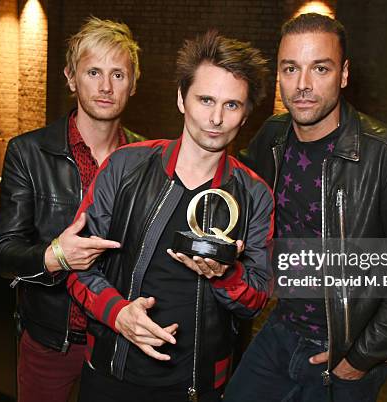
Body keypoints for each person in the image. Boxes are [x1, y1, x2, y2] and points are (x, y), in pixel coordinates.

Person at [224, 13, 387, 402]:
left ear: (343, 74)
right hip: (280, 332)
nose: (303, 85)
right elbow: (237, 201)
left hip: (347, 355)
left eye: (319, 68)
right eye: (291, 68)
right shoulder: (272, 136)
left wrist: (358, 359)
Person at [62, 31, 273, 402]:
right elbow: (76, 266)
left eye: (232, 105)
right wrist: (118, 314)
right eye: (205, 99)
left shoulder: (255, 194)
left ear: (246, 113)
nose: (216, 118)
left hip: (196, 387)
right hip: (112, 376)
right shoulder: (124, 166)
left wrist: (227, 276)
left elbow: (256, 297)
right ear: (181, 98)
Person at [0, 17, 146, 402]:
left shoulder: (149, 158)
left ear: (133, 83)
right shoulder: (28, 153)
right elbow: (4, 255)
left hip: (119, 342)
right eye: (93, 72)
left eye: (118, 74)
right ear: (71, 78)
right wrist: (57, 255)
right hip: (51, 341)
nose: (106, 87)